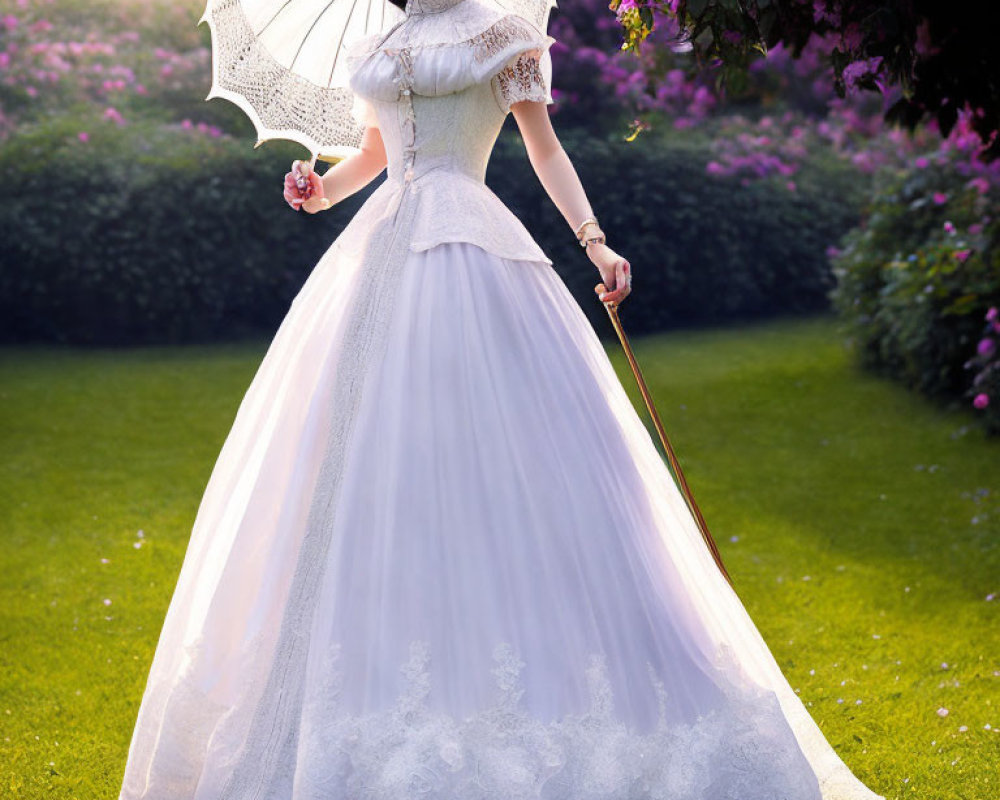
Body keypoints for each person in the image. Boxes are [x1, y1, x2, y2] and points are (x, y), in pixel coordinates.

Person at [117, 0, 886, 797]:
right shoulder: (384, 42)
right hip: (374, 258)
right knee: (355, 469)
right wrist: (318, 190)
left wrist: (595, 238)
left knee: (501, 461)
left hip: (470, 249)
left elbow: (544, 149)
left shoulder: (505, 36)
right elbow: (375, 154)